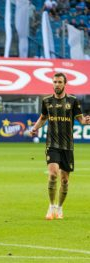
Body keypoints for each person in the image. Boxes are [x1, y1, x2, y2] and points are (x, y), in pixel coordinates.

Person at [30, 73, 90, 220]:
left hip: (67, 146)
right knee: (52, 175)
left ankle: (60, 207)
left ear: (65, 83)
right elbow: (43, 118)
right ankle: (51, 206)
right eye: (55, 82)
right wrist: (35, 128)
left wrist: (86, 120)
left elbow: (81, 120)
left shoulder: (73, 100)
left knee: (64, 180)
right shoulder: (46, 101)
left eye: (59, 82)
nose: (57, 84)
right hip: (52, 144)